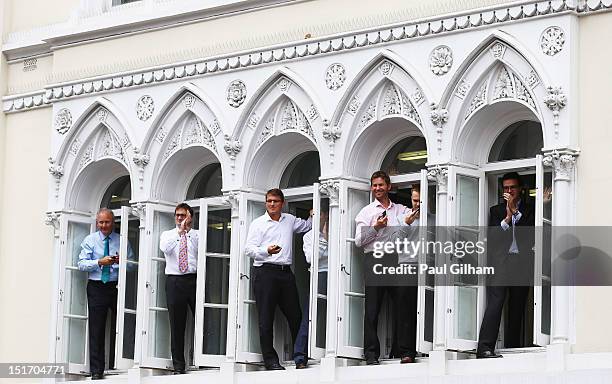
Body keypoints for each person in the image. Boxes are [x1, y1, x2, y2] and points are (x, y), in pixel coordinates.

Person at [354, 171, 419, 365]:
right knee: (373, 308)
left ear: (389, 187)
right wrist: (375, 227)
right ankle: (371, 355)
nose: (377, 188)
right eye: (374, 185)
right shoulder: (366, 212)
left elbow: (416, 214)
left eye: (381, 185)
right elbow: (359, 241)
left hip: (395, 258)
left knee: (403, 303)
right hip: (374, 259)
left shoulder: (400, 209)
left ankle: (405, 351)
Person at [245, 188, 312, 370]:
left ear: (282, 203)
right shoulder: (258, 223)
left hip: (285, 273)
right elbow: (248, 249)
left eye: (275, 201)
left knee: (295, 315)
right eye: (269, 201)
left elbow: (307, 226)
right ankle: (271, 361)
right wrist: (266, 250)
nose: (272, 204)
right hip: (265, 272)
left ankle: (300, 357)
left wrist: (315, 214)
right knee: (266, 318)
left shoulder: (289, 220)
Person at [476, 172, 535, 358]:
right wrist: (507, 218)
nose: (509, 191)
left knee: (517, 308)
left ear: (520, 189)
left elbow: (531, 232)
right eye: (506, 188)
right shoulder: (495, 211)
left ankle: (512, 348)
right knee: (495, 303)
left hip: (521, 264)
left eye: (513, 188)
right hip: (500, 263)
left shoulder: (530, 210)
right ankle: (485, 348)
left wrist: (515, 212)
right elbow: (492, 239)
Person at [78, 208, 133, 380]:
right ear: (97, 223)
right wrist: (99, 262)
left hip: (117, 286)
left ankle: (126, 363)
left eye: (107, 222)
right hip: (97, 286)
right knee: (97, 328)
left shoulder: (122, 240)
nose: (103, 225)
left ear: (113, 222)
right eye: (101, 222)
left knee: (124, 324)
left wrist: (120, 262)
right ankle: (97, 370)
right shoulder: (90, 240)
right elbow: (81, 264)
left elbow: (132, 264)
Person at [159, 203, 199, 374]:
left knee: (203, 319)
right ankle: (178, 365)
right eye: (177, 215)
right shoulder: (168, 235)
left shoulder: (198, 235)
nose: (179, 218)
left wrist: (187, 233)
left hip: (195, 280)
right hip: (175, 281)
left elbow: (202, 252)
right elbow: (165, 249)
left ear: (191, 217)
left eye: (183, 215)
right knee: (177, 324)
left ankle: (203, 358)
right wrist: (180, 233)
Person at [293, 208, 329, 369]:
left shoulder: (338, 231)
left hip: (340, 275)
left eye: (318, 214)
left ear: (326, 215)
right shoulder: (309, 236)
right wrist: (325, 239)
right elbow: (310, 258)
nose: (315, 218)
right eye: (312, 215)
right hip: (320, 276)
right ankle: (300, 356)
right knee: (311, 315)